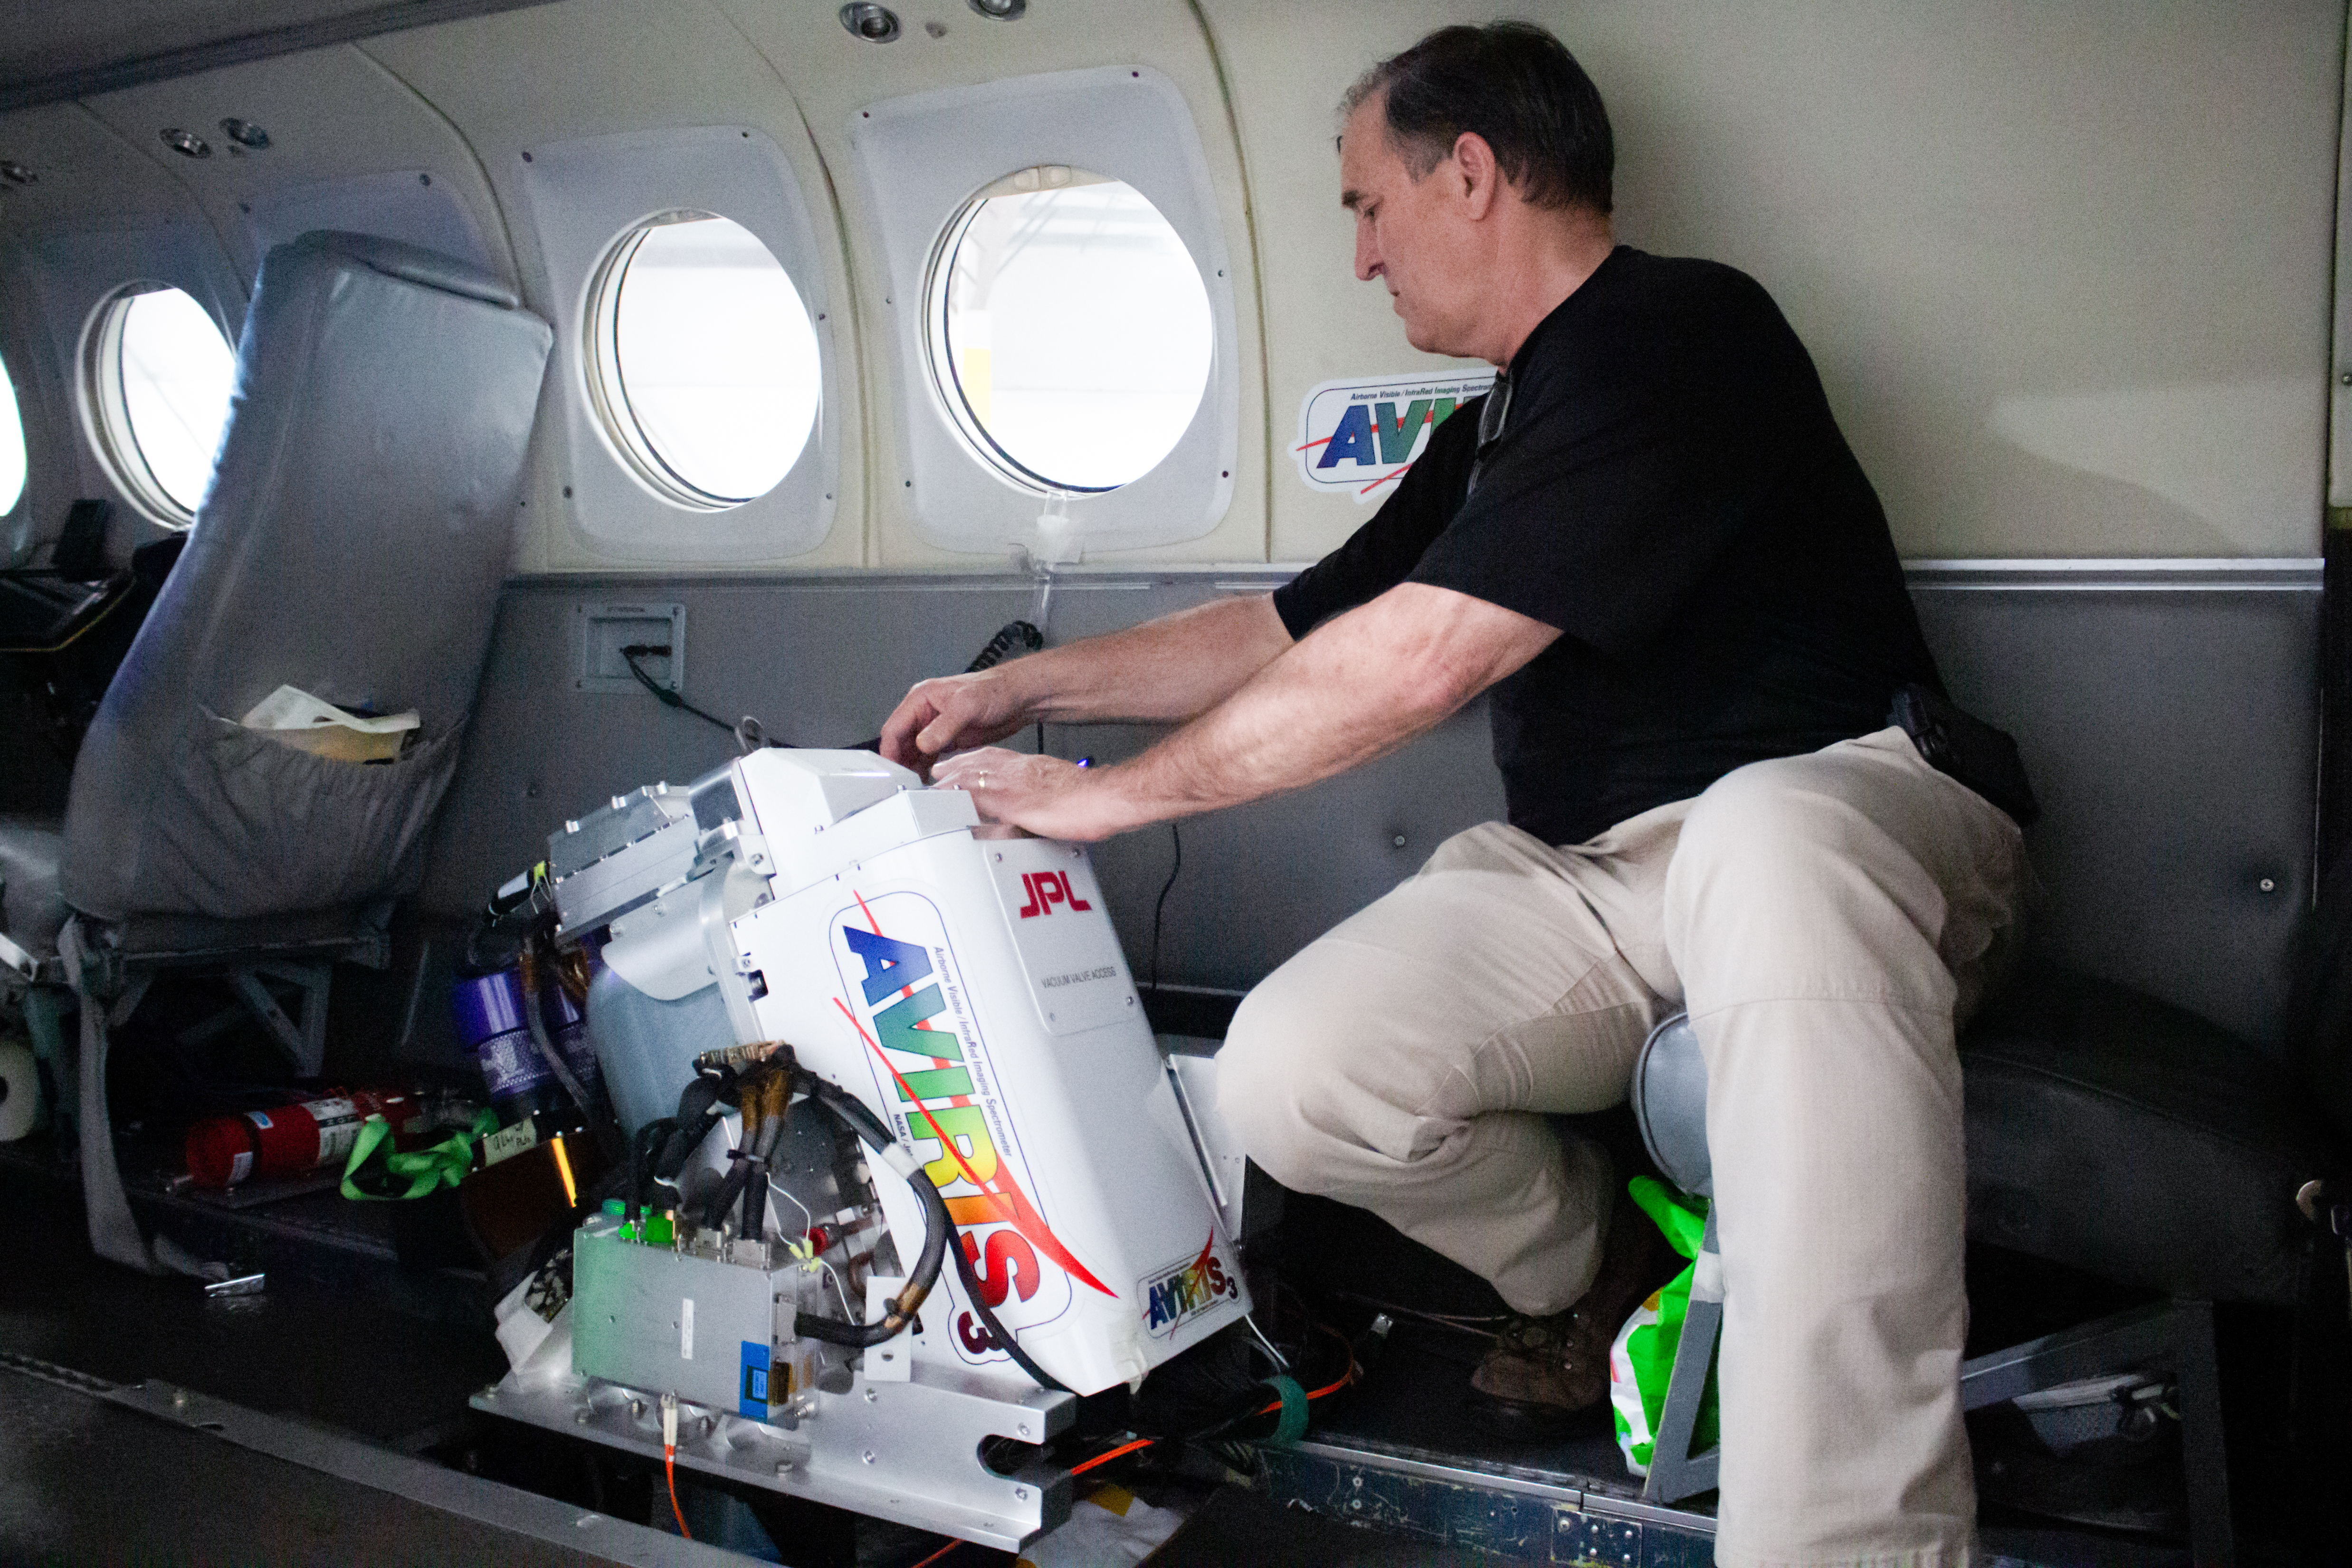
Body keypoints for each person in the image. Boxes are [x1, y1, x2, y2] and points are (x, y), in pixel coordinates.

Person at [879, 21, 2026, 1567]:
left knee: (1763, 833)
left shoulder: (1686, 332)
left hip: (1847, 818)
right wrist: (1028, 689)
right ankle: (1608, 1277)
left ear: (1471, 173)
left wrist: (1103, 804)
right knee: (1296, 1071)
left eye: (1366, 204)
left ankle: (1848, 1546)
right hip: (1598, 879)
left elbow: (1417, 665)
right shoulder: (1487, 429)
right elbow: (1291, 632)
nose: (1359, 254)